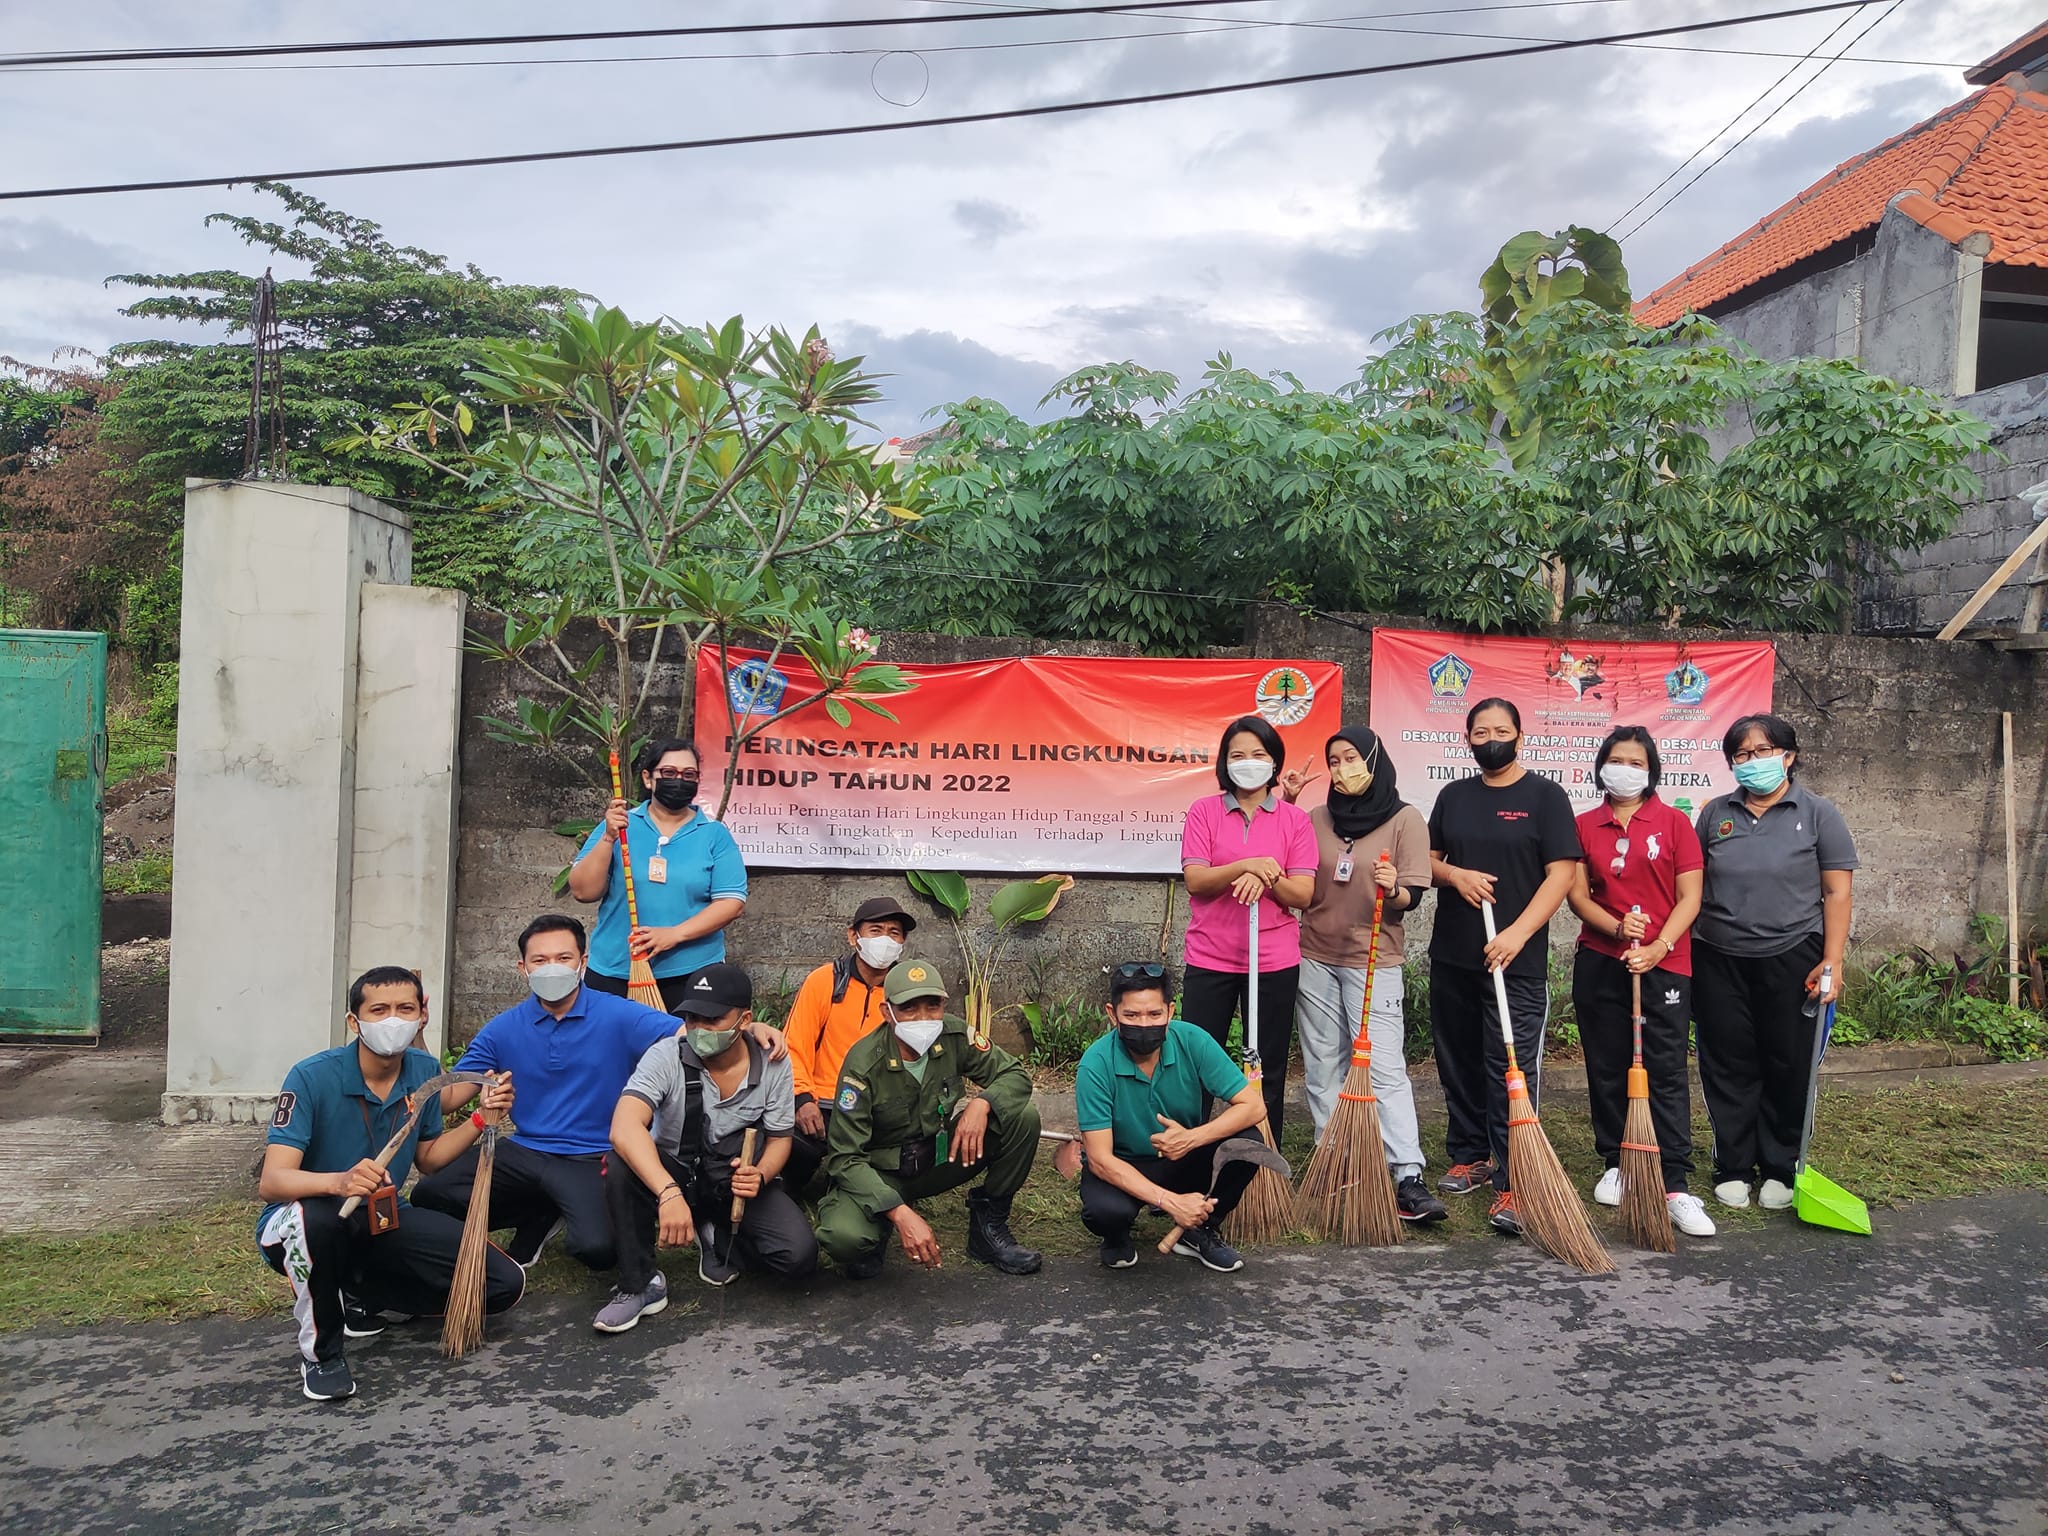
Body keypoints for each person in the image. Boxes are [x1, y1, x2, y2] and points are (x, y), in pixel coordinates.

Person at [412, 914, 786, 1272]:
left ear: (582, 962)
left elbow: (695, 1033)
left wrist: (750, 1029)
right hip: (525, 1149)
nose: (551, 967)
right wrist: (416, 1035)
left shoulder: (620, 1015)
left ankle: (560, 1208)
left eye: (563, 958)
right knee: (429, 1197)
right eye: (539, 960)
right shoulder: (502, 1029)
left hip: (591, 1157)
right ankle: (538, 1213)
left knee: (599, 1250)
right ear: (522, 968)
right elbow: (445, 1099)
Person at [256, 966, 522, 1402]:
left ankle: (360, 1291)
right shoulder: (310, 1077)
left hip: (381, 1216)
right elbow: (273, 1181)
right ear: (353, 1022)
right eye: (378, 1010)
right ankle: (322, 1353)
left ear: (422, 1016)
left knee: (501, 1284)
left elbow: (430, 1159)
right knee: (317, 1222)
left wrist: (480, 1119)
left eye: (405, 1009)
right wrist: (338, 1182)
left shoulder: (423, 1070)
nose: (393, 1021)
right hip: (301, 1221)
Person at [1427, 697, 1581, 1239]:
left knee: (1510, 1067)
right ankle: (1469, 1155)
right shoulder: (1453, 796)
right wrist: (1455, 877)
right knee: (1459, 1059)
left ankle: (1514, 1174)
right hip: (1453, 954)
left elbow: (1561, 874)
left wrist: (1518, 933)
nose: (1490, 737)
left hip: (1514, 958)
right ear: (1467, 739)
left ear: (1520, 735)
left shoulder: (1545, 796)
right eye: (1480, 730)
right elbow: (1427, 858)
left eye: (1501, 729)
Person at [1692, 713, 1857, 1212]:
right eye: (1741, 755)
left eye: (1762, 751)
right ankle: (1734, 1166)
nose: (1752, 762)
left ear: (1788, 755)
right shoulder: (1715, 814)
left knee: (1788, 1063)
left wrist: (1833, 960)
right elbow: (1693, 886)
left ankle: (1781, 1166)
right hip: (1719, 958)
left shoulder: (1818, 813)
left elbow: (1836, 891)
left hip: (1795, 958)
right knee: (1727, 1062)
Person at [596, 963, 818, 1332]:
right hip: (674, 1170)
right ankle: (640, 1284)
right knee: (621, 1163)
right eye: (692, 1018)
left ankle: (715, 1232)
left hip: (729, 1174)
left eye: (712, 1019)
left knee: (797, 1259)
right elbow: (624, 1126)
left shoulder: (773, 1062)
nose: (699, 1029)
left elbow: (780, 1139)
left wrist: (760, 1175)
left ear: (744, 1019)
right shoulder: (666, 1054)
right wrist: (667, 1193)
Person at [1283, 726, 1446, 1225]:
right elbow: (1292, 865)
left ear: (1374, 759)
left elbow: (1411, 899)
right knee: (1323, 1063)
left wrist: (1394, 887)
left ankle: (1405, 1173)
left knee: (1382, 1066)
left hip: (1373, 957)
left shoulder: (1405, 820)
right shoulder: (1314, 818)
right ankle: (1340, 1157)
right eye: (1334, 761)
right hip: (1314, 954)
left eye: (1351, 757)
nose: (1341, 769)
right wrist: (1286, 803)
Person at [1566, 726, 1714, 1239]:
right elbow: (1578, 895)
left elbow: (1690, 897)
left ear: (1650, 770)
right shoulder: (1584, 824)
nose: (1624, 769)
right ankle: (1618, 1160)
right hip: (1602, 959)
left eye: (1635, 761)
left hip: (1664, 963)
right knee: (1607, 1062)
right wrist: (1614, 927)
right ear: (1601, 766)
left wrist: (1657, 947)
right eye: (1616, 759)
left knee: (1665, 1067)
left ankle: (1673, 1181)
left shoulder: (1674, 823)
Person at [816, 959, 1043, 1278]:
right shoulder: (863, 1064)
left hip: (937, 1157)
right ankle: (878, 1223)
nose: (923, 1017)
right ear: (887, 1012)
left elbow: (1014, 1074)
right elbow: (845, 1158)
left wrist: (983, 1104)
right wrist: (899, 1212)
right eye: (909, 1008)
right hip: (882, 1172)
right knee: (845, 1238)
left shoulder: (954, 1036)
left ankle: (988, 1228)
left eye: (932, 1005)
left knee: (1022, 1117)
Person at [1074, 963, 1270, 1272]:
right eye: (1131, 1016)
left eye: (1154, 1015)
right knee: (1105, 1212)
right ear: (1112, 1014)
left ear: (1170, 1011)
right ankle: (1115, 1237)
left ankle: (1198, 1230)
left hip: (1183, 1154)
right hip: (1123, 1163)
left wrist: (1192, 1138)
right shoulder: (1095, 1065)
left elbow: (1254, 1106)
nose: (1144, 1025)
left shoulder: (1193, 1040)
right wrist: (1170, 1202)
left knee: (1248, 1143)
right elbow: (1099, 1159)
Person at [1178, 714, 1318, 1135]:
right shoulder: (1205, 812)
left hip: (1273, 961)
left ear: (1274, 763)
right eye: (1238, 754)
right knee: (1198, 1062)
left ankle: (1260, 1160)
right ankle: (1190, 1151)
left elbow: (1303, 894)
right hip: (1210, 958)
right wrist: (1246, 864)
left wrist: (1267, 876)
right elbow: (1197, 881)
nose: (1248, 762)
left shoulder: (1296, 821)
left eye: (1258, 754)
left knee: (1268, 1064)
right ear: (1224, 762)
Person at [567, 738, 747, 1010]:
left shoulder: (714, 835)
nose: (679, 780)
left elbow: (731, 902)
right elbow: (583, 891)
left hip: (690, 973)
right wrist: (607, 838)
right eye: (669, 773)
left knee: (682, 1050)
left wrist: (675, 934)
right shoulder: (620, 825)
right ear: (648, 778)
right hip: (616, 969)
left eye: (689, 775)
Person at [783, 895, 917, 1189]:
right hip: (823, 1102)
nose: (885, 939)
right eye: (876, 930)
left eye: (894, 932)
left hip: (877, 1105)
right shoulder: (823, 981)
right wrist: (802, 1099)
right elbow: (795, 1045)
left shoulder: (908, 993)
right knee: (789, 1151)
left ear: (903, 942)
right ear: (853, 936)